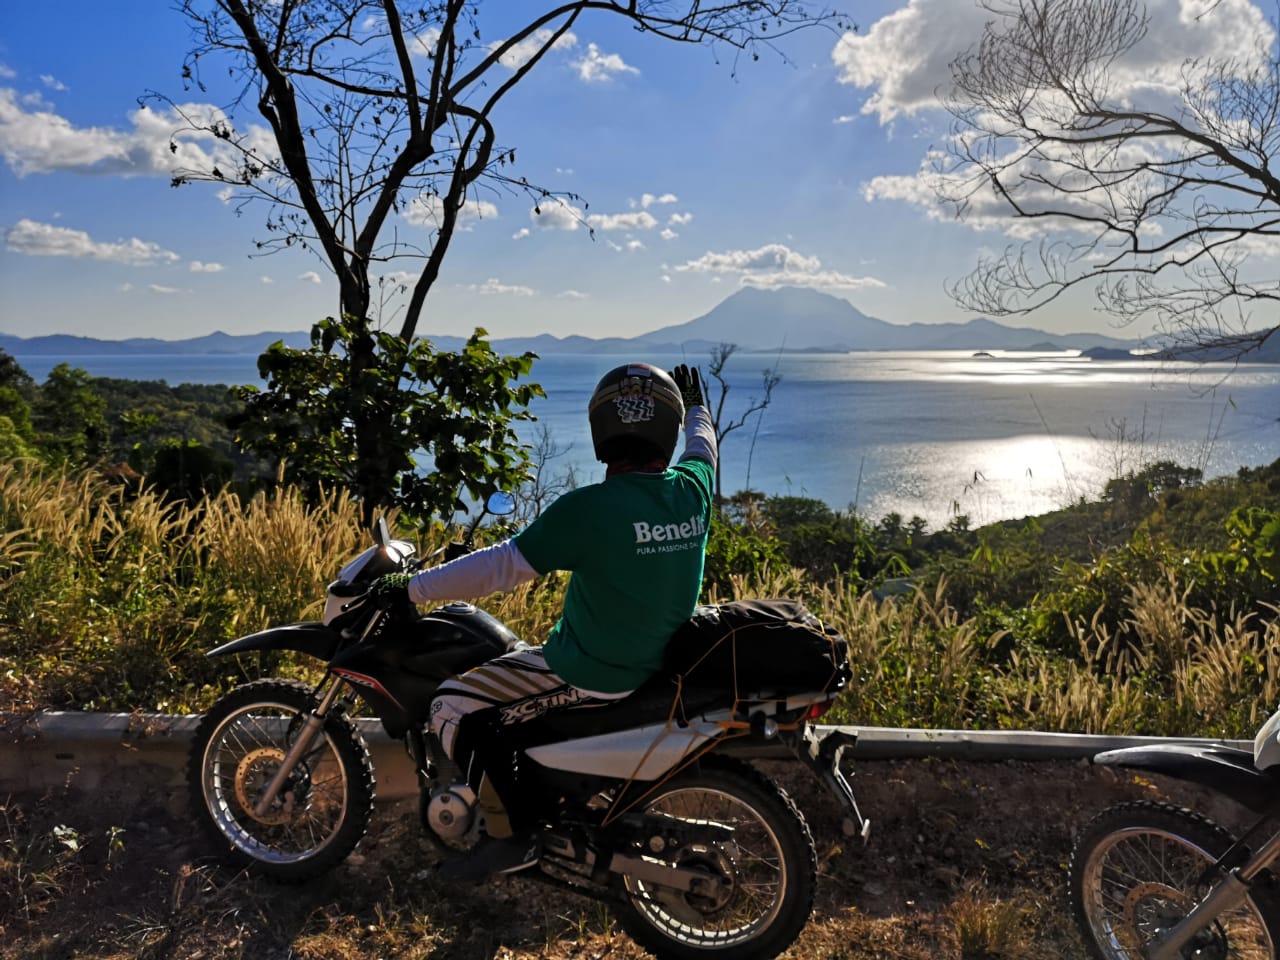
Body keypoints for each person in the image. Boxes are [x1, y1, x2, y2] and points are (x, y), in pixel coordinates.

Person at [372, 362, 717, 881]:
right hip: (659, 662)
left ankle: (514, 836)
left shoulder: (590, 509)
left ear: (602, 431)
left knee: (451, 705)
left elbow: (501, 566)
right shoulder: (693, 489)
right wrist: (697, 408)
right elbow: (703, 446)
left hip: (592, 671)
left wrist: (412, 587)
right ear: (664, 434)